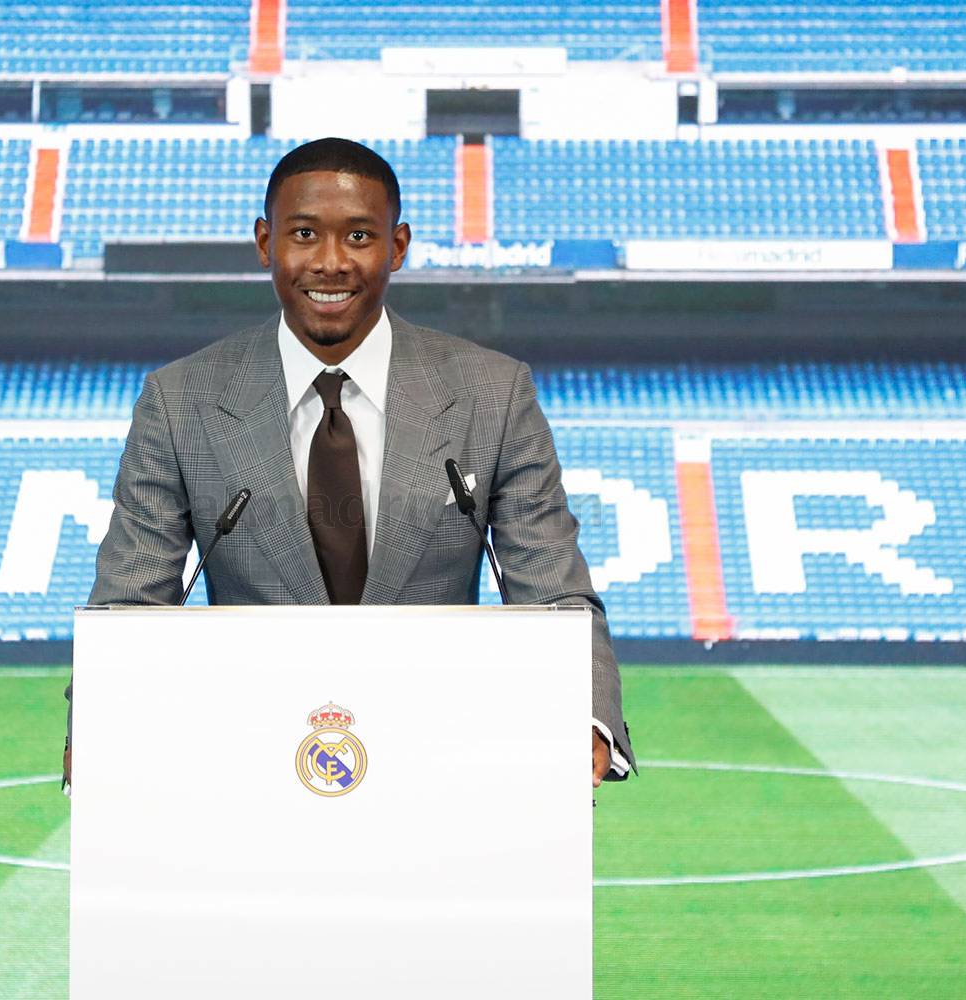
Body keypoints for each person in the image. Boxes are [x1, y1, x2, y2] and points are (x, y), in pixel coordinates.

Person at [65, 137, 632, 789]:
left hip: (440, 767)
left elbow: (553, 587)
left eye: (359, 236)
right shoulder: (178, 402)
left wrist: (586, 716)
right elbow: (130, 599)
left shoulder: (494, 394)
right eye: (304, 234)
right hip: (250, 771)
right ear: (265, 243)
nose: (331, 263)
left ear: (397, 246)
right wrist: (97, 725)